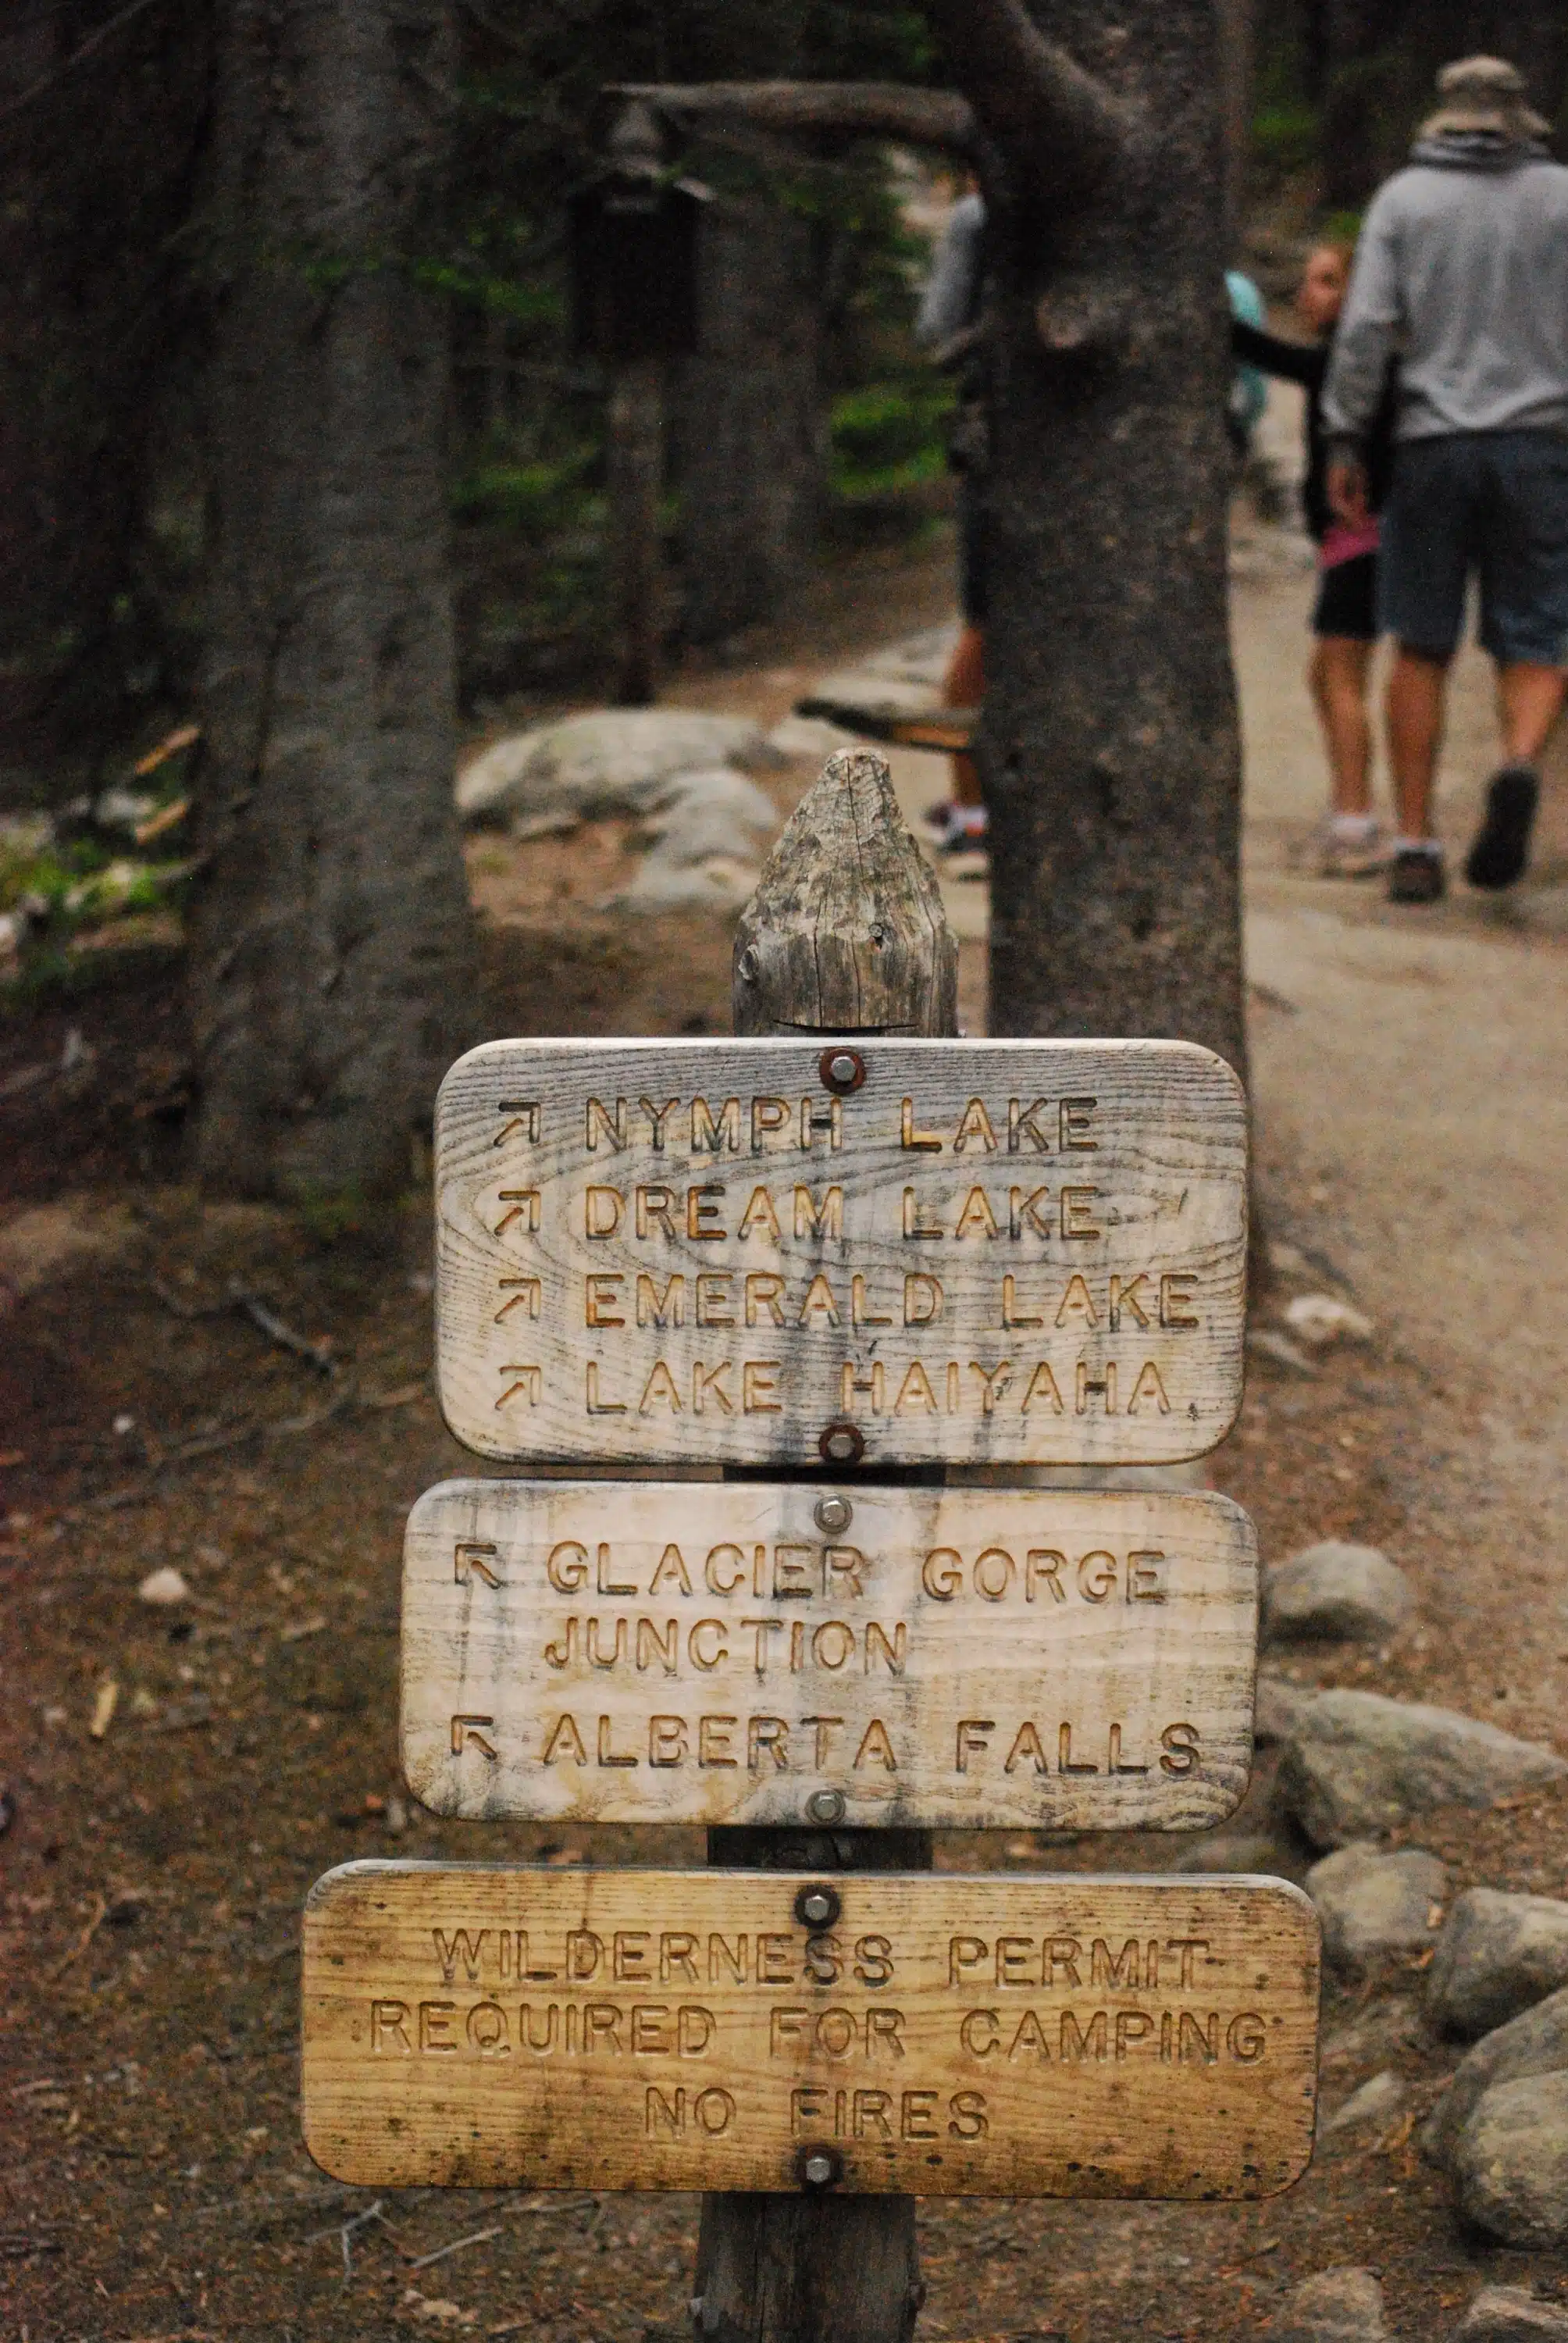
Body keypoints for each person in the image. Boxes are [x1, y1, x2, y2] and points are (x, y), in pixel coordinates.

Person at [1323, 55, 1568, 904]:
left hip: (1432, 445)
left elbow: (1365, 330)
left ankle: (1417, 846)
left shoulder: (1404, 200)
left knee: (1421, 643)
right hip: (1541, 446)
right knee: (1535, 636)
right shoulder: (1561, 198)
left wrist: (1346, 435)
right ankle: (1515, 765)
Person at [1232, 243, 1398, 876]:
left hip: (1365, 541)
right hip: (1346, 544)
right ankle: (1347, 810)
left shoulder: (1354, 366)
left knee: (1340, 678)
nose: (1308, 295)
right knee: (1324, 677)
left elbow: (1270, 354)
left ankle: (1357, 824)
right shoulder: (1346, 362)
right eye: (1308, 281)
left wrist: (1218, 316)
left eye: (1327, 282)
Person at [915, 177, 989, 852]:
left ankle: (973, 807)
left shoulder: (976, 214)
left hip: (995, 439)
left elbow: (936, 331)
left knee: (984, 626)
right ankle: (976, 800)